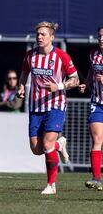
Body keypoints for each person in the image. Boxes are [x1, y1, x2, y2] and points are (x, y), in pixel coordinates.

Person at [17, 21, 79, 194]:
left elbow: (75, 80)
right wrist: (21, 86)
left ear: (52, 37)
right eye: (38, 34)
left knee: (47, 144)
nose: (39, 37)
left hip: (56, 106)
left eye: (43, 34)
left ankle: (51, 185)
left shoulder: (62, 57)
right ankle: (60, 145)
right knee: (36, 149)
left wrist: (58, 87)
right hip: (36, 106)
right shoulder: (30, 56)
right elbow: (24, 73)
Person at [78, 26, 103, 191]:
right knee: (97, 140)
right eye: (99, 36)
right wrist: (86, 83)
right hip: (97, 102)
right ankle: (96, 179)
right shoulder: (93, 55)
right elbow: (91, 71)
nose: (101, 39)